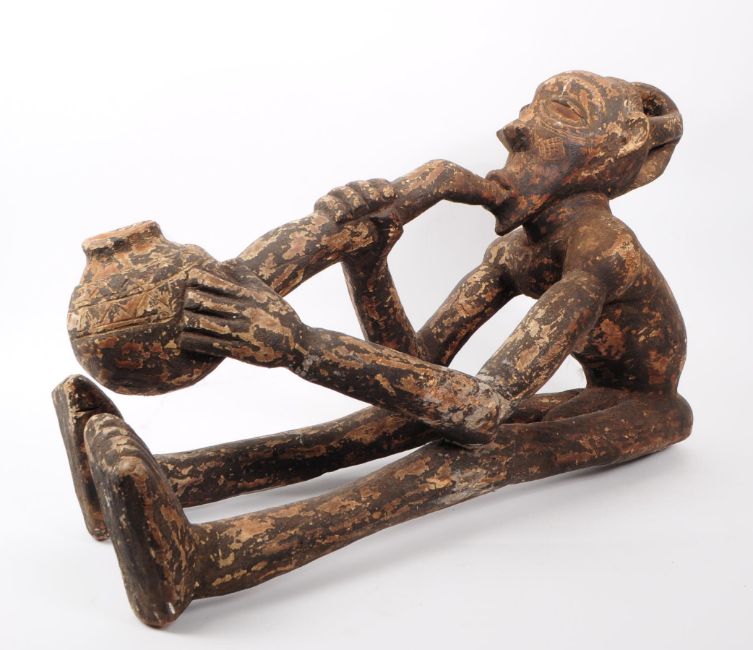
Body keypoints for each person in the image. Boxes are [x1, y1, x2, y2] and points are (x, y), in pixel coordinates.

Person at [56, 71, 692, 626]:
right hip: (584, 391)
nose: (515, 129)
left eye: (560, 114)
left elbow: (481, 410)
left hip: (646, 408)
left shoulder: (600, 258)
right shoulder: (515, 254)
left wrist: (300, 346)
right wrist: (368, 262)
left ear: (611, 159)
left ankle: (204, 562)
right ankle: (161, 481)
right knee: (371, 428)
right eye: (528, 108)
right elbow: (418, 370)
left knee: (470, 460)